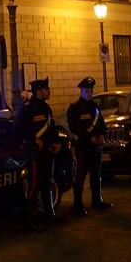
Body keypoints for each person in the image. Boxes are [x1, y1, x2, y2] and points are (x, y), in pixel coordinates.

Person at [12, 77, 65, 227]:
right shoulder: (28, 108)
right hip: (36, 153)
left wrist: (56, 143)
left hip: (48, 152)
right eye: (46, 89)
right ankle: (32, 217)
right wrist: (34, 140)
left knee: (47, 183)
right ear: (39, 91)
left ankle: (49, 214)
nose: (49, 91)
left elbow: (51, 128)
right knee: (34, 185)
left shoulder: (46, 108)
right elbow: (18, 130)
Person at [67, 76, 113, 215]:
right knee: (81, 175)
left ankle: (97, 200)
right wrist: (89, 137)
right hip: (84, 147)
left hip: (96, 147)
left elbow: (101, 123)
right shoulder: (75, 108)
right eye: (87, 90)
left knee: (96, 174)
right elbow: (74, 127)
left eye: (91, 90)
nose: (90, 93)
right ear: (81, 91)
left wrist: (101, 135)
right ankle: (78, 205)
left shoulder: (94, 106)